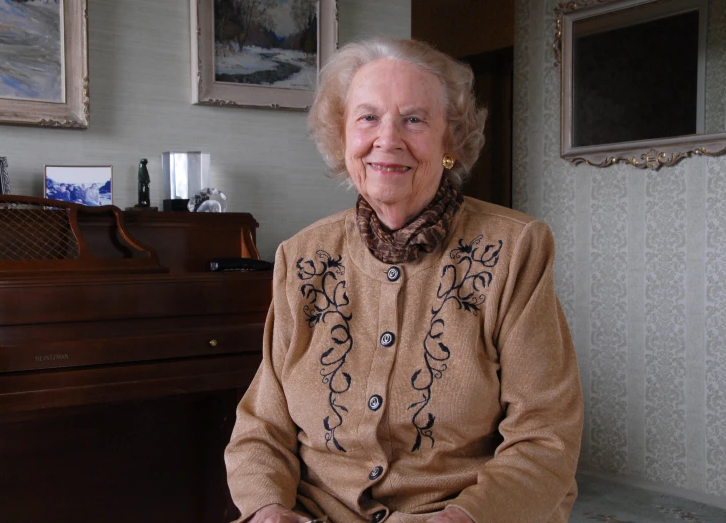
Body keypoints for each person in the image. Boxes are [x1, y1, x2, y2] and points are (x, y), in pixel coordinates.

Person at [225, 38, 583, 523]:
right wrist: (268, 509)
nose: (387, 139)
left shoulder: (514, 250)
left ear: (449, 141)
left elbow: (546, 436)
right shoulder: (303, 257)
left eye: (414, 119)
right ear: (342, 137)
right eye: (367, 118)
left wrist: (463, 518)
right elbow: (262, 427)